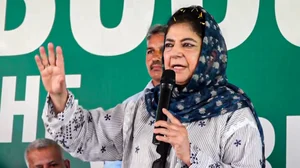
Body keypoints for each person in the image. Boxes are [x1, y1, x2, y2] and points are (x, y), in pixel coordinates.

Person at [36, 5, 265, 168]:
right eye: (170, 45)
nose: (174, 53)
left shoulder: (233, 115)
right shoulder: (143, 107)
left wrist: (192, 156)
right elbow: (88, 139)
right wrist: (59, 96)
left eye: (187, 44)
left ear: (210, 55)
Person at [104, 24, 167, 168]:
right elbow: (114, 162)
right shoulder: (130, 107)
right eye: (150, 51)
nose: (156, 57)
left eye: (163, 50)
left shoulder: (193, 103)